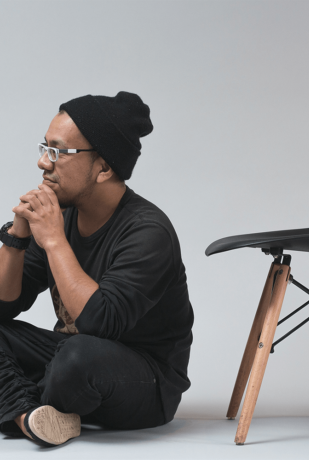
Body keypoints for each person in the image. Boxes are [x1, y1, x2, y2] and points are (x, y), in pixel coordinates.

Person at [0, 92, 194, 447]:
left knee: (77, 357)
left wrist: (55, 241)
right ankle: (29, 417)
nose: (44, 163)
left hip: (146, 384)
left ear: (103, 167)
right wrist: (16, 238)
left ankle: (14, 401)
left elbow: (100, 323)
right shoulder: (61, 217)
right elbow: (5, 305)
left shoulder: (149, 232)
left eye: (58, 152)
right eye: (44, 148)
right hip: (66, 365)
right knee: (67, 357)